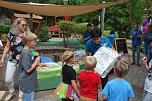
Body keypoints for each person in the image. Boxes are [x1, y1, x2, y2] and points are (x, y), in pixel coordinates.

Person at [0, 18, 30, 101]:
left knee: (22, 79)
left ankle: (21, 96)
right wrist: (2, 58)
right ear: (17, 25)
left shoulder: (27, 35)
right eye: (23, 25)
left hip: (23, 60)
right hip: (12, 59)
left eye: (25, 25)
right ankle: (12, 92)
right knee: (8, 79)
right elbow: (7, 46)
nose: (25, 26)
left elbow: (32, 47)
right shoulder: (11, 34)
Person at [17, 32, 40, 101]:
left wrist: (37, 64)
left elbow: (29, 64)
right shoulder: (25, 53)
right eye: (34, 42)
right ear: (28, 42)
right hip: (27, 82)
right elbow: (28, 69)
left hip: (30, 81)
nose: (35, 43)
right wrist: (36, 62)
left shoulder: (29, 51)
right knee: (29, 98)